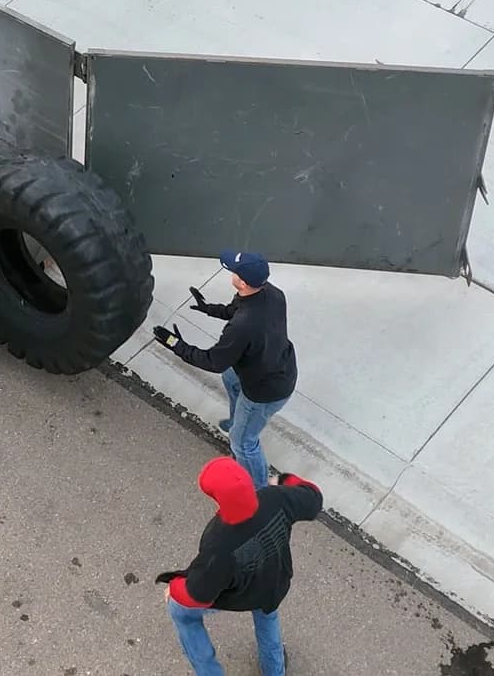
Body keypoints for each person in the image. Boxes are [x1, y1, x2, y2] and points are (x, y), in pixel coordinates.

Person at [156, 456, 323, 676]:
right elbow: (313, 499)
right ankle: (275, 671)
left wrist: (175, 588)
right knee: (268, 618)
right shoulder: (275, 499)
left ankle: (210, 671)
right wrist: (284, 480)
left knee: (180, 611)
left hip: (240, 592)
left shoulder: (219, 543)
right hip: (272, 582)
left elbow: (198, 593)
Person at [152, 249, 296, 489]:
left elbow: (212, 360)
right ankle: (236, 421)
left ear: (242, 281)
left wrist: (175, 344)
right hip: (274, 363)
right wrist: (209, 308)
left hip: (265, 390)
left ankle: (259, 490)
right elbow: (236, 309)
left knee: (243, 443)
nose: (230, 271)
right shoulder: (272, 294)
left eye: (233, 270)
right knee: (230, 377)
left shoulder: (242, 327)